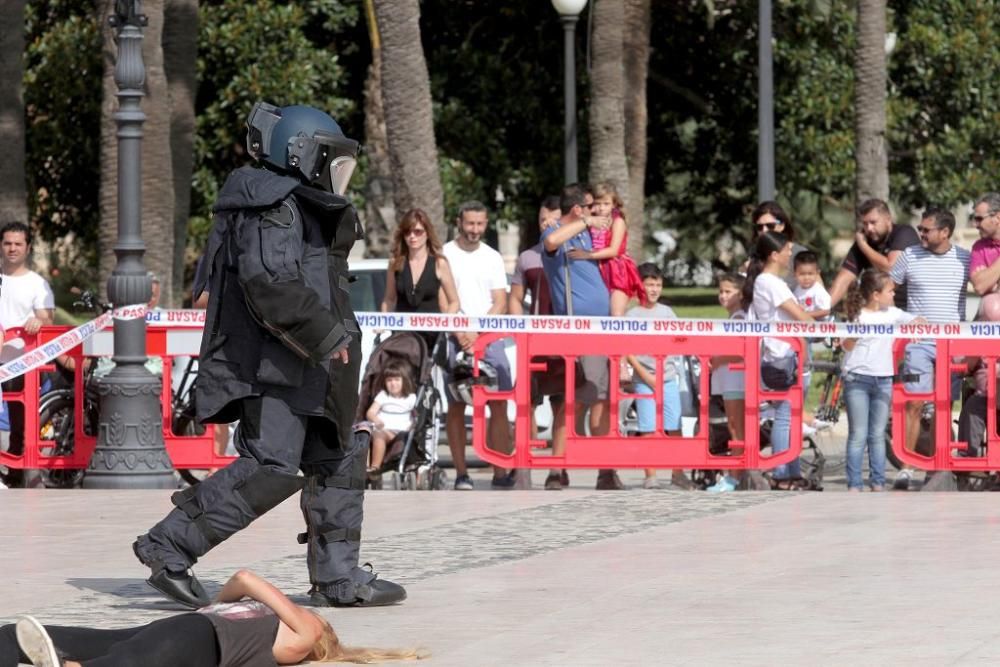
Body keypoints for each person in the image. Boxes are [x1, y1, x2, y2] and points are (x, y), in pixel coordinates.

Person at [132, 102, 405, 609]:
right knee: (272, 467)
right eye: (332, 160)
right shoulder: (270, 206)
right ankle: (168, 546)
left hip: (313, 364)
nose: (337, 175)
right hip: (277, 365)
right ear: (300, 154)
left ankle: (339, 579)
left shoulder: (299, 204)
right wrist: (327, 336)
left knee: (339, 459)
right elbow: (270, 283)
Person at [2, 569, 424, 666]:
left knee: (111, 658)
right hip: (188, 634)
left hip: (194, 635)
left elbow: (242, 578)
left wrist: (297, 611)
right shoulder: (267, 628)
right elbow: (233, 589)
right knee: (107, 656)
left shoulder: (305, 636)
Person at [541, 183, 623, 490]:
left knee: (602, 399)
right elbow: (550, 240)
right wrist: (581, 222)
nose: (597, 212)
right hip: (577, 331)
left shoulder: (590, 234)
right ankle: (556, 469)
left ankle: (605, 470)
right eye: (590, 207)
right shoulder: (561, 234)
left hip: (603, 332)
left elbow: (617, 225)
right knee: (569, 402)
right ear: (577, 209)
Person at [888, 207, 971, 490]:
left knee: (943, 406)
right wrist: (902, 320)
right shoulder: (909, 255)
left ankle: (937, 465)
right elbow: (885, 292)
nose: (920, 234)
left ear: (945, 232)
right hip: (918, 344)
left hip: (952, 345)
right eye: (920, 229)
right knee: (914, 403)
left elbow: (986, 285)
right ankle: (907, 468)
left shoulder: (965, 257)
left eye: (926, 230)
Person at [441, 201, 514, 490]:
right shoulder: (444, 253)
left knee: (498, 403)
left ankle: (500, 471)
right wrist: (461, 332)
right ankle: (461, 473)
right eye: (470, 224)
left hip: (490, 339)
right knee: (456, 404)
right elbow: (444, 299)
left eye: (480, 224)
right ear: (459, 221)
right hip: (454, 336)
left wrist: (479, 332)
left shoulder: (493, 256)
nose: (475, 230)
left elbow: (501, 301)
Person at [742, 231, 815, 490]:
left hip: (786, 356)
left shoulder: (769, 281)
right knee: (785, 417)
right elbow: (800, 316)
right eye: (787, 250)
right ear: (774, 254)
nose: (789, 254)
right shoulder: (770, 282)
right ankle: (783, 473)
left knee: (792, 417)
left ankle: (792, 471)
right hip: (780, 356)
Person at [841, 270, 922, 492]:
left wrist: (915, 324)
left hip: (884, 379)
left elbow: (916, 319)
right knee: (858, 433)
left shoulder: (892, 313)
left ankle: (877, 482)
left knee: (877, 434)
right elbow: (845, 346)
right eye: (890, 291)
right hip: (856, 378)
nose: (894, 294)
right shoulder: (856, 315)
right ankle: (854, 483)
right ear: (876, 295)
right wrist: (853, 335)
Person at [623, 263, 692, 490]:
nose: (654, 289)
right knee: (648, 426)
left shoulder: (667, 313)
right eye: (649, 284)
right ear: (639, 286)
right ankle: (650, 474)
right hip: (644, 380)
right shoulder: (631, 315)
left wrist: (664, 375)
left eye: (658, 285)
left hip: (668, 377)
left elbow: (677, 342)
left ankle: (678, 472)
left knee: (674, 424)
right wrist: (645, 376)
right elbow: (627, 350)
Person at [0, 220, 55, 488]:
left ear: (28, 247)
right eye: (8, 243)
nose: (12, 248)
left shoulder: (37, 284)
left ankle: (16, 474)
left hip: (21, 366)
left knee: (20, 423)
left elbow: (48, 320)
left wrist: (38, 322)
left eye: (17, 244)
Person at [509, 196, 561, 449]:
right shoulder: (527, 258)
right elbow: (515, 299)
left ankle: (558, 468)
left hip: (565, 342)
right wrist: (521, 331)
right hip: (535, 342)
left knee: (563, 401)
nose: (547, 224)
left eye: (553, 220)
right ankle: (525, 460)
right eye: (543, 220)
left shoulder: (574, 256)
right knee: (526, 399)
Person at [379, 208, 460, 349]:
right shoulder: (395, 263)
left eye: (418, 232)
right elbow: (389, 299)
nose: (412, 236)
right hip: (401, 336)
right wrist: (383, 324)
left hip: (431, 337)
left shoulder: (439, 263)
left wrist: (443, 324)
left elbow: (454, 302)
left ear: (427, 233)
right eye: (407, 232)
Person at [567, 181, 644, 316]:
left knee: (616, 315)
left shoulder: (617, 221)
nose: (601, 208)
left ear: (614, 204)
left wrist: (588, 255)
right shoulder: (589, 220)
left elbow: (614, 250)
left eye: (606, 204)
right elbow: (567, 222)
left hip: (617, 271)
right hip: (597, 269)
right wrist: (550, 221)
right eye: (597, 203)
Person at [828, 198, 920, 309]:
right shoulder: (864, 242)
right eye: (865, 224)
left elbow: (891, 268)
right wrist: (822, 309)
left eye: (873, 222)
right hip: (880, 310)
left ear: (888, 219)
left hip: (910, 309)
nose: (869, 228)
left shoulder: (904, 233)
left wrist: (863, 246)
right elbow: (844, 280)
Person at [706, 273, 747, 493]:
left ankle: (734, 477)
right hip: (728, 381)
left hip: (735, 382)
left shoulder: (740, 318)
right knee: (734, 427)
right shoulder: (733, 317)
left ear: (740, 294)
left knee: (736, 428)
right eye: (721, 291)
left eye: (728, 291)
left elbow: (741, 352)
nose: (723, 295)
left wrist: (716, 359)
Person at [792, 250, 831, 427]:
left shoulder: (818, 291)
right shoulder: (797, 290)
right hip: (803, 329)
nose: (806, 278)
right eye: (802, 274)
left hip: (817, 329)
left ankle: (804, 371)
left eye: (810, 274)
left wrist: (805, 314)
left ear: (817, 273)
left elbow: (826, 310)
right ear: (795, 274)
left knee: (804, 358)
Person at [364, 361, 416, 482]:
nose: (393, 384)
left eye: (397, 380)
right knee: (378, 435)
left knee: (414, 438)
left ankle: (414, 470)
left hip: (403, 431)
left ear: (404, 380)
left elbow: (416, 416)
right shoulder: (383, 396)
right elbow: (370, 412)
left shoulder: (411, 398)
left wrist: (413, 426)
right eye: (389, 380)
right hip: (384, 429)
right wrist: (376, 420)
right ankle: (375, 468)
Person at [747, 201, 807, 290]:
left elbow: (817, 291)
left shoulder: (800, 254)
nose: (764, 230)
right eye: (759, 227)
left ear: (782, 225)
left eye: (770, 226)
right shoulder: (755, 253)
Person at [968, 192, 1000, 300]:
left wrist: (991, 278)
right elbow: (980, 286)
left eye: (979, 219)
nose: (975, 225)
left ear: (998, 217)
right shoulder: (979, 247)